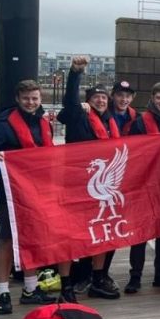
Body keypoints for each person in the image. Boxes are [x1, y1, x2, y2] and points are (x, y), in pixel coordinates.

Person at [0, 80, 58, 314]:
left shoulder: (44, 123)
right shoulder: (3, 124)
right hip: (10, 193)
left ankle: (30, 289)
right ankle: (3, 292)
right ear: (18, 99)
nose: (31, 102)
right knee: (7, 240)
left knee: (33, 239)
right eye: (27, 98)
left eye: (35, 98)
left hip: (38, 191)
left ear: (40, 99)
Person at [55, 56, 120, 301]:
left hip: (101, 189)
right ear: (88, 101)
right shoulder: (78, 114)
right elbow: (70, 100)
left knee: (102, 231)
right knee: (72, 234)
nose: (101, 101)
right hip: (76, 185)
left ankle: (97, 278)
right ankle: (68, 283)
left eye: (104, 98)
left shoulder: (111, 122)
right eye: (96, 98)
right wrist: (75, 73)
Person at [124, 82, 160, 294]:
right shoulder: (141, 123)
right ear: (153, 98)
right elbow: (133, 152)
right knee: (140, 233)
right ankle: (135, 276)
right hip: (146, 183)